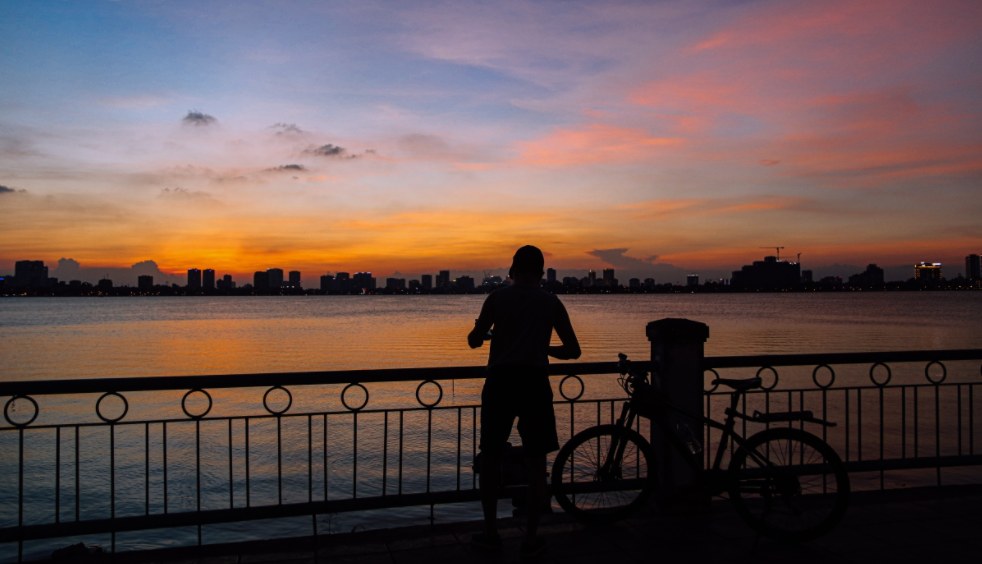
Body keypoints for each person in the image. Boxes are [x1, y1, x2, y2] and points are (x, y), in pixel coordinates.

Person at [467, 245, 581, 558]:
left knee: (490, 459)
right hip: (534, 384)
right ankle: (531, 537)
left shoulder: (497, 297)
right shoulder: (551, 302)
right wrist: (544, 351)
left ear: (512, 271)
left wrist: (485, 332)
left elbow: (474, 340)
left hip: (501, 382)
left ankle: (491, 532)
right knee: (535, 464)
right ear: (542, 273)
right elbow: (573, 350)